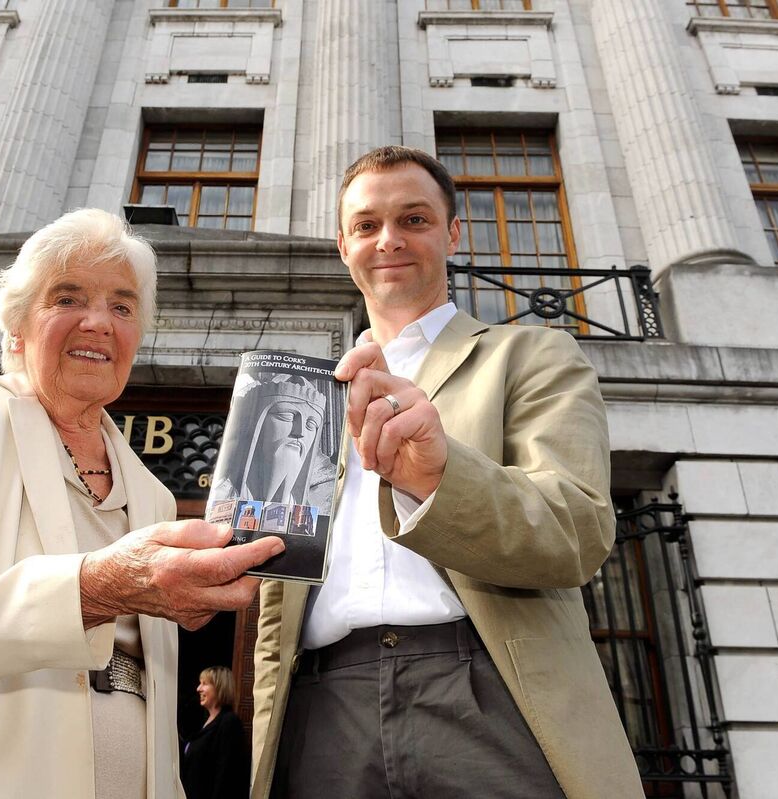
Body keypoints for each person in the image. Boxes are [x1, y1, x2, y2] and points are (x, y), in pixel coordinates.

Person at [0, 209, 284, 798]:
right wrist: (98, 587)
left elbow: (154, 694)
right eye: (68, 297)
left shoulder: (149, 489)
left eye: (122, 307)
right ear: (17, 326)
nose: (99, 322)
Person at [251, 148, 644, 799]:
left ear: (452, 233)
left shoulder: (532, 356)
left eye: (414, 219)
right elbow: (275, 608)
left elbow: (577, 528)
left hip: (484, 694)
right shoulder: (304, 397)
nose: (389, 241)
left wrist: (438, 479)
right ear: (342, 243)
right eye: (368, 225)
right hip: (324, 709)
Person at [213, 374, 333, 508]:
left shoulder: (325, 500)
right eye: (286, 416)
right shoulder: (221, 497)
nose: (300, 433)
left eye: (311, 424)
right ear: (257, 423)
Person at [180, 666, 249, 799]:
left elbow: (226, 777)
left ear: (219, 687)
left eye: (204, 684)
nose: (198, 689)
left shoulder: (229, 722)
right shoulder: (204, 722)